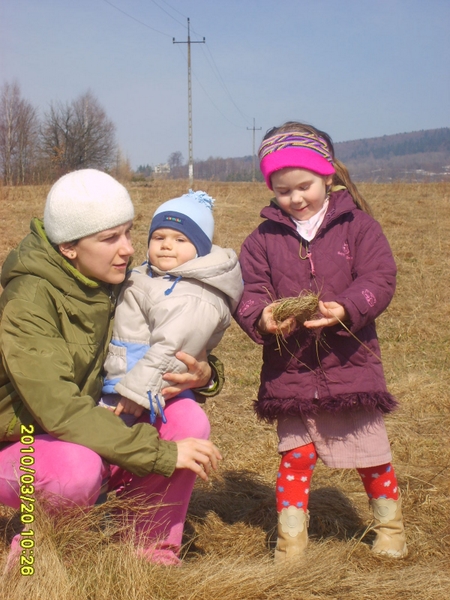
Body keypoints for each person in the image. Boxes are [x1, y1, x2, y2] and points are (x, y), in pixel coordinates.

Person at [0, 169, 223, 569]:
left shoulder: (117, 278)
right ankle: (39, 557)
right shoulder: (29, 300)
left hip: (89, 423)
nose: (126, 249)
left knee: (186, 418)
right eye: (109, 239)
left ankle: (144, 549)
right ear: (68, 247)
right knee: (76, 469)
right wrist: (159, 454)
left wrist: (205, 373)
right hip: (21, 441)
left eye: (129, 232)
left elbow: (164, 341)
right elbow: (61, 411)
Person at [234, 122, 407, 562]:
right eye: (283, 189)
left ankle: (390, 529)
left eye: (305, 186)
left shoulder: (359, 228)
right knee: (295, 459)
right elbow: (250, 292)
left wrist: (347, 307)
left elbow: (379, 278)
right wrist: (262, 316)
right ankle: (291, 544)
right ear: (270, 188)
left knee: (372, 456)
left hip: (351, 365)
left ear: (327, 176)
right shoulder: (261, 241)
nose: (295, 198)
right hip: (290, 374)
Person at [99, 189, 243, 426]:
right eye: (159, 237)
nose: (167, 245)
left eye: (180, 240)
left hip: (148, 389)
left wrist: (136, 393)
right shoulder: (151, 275)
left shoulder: (194, 294)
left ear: (200, 249)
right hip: (127, 379)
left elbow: (173, 348)